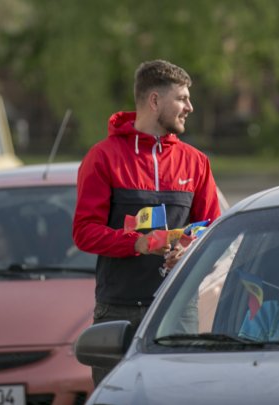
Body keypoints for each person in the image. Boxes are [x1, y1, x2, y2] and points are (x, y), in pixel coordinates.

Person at [72, 59, 221, 386]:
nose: (190, 107)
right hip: (118, 312)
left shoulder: (196, 163)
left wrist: (189, 250)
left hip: (177, 311)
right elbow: (84, 232)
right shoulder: (102, 157)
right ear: (154, 101)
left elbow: (211, 229)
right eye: (182, 98)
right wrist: (137, 243)